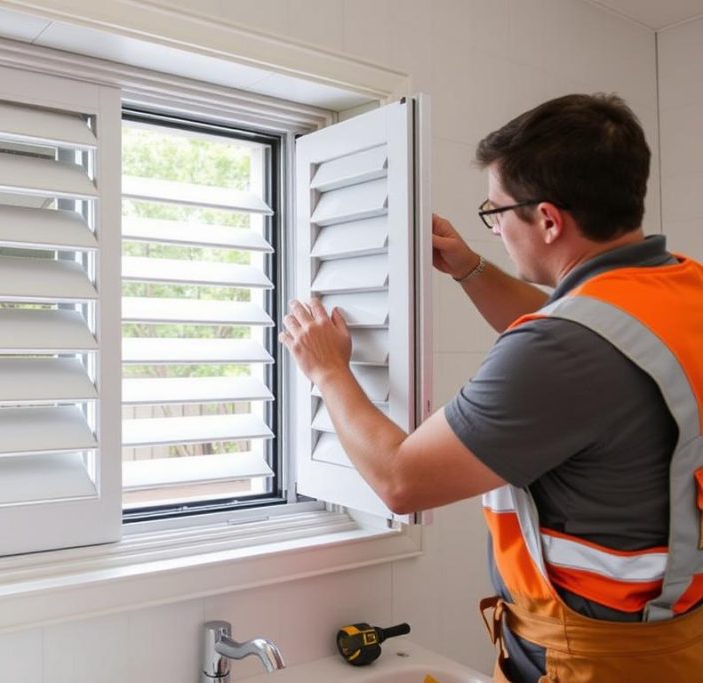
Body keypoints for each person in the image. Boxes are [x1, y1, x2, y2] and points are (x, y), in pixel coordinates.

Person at [279, 93, 703, 682]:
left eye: (497, 211)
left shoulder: (560, 350)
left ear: (549, 220)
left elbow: (401, 481)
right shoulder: (678, 288)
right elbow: (595, 337)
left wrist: (328, 370)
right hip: (675, 637)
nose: (497, 226)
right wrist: (470, 268)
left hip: (594, 659)